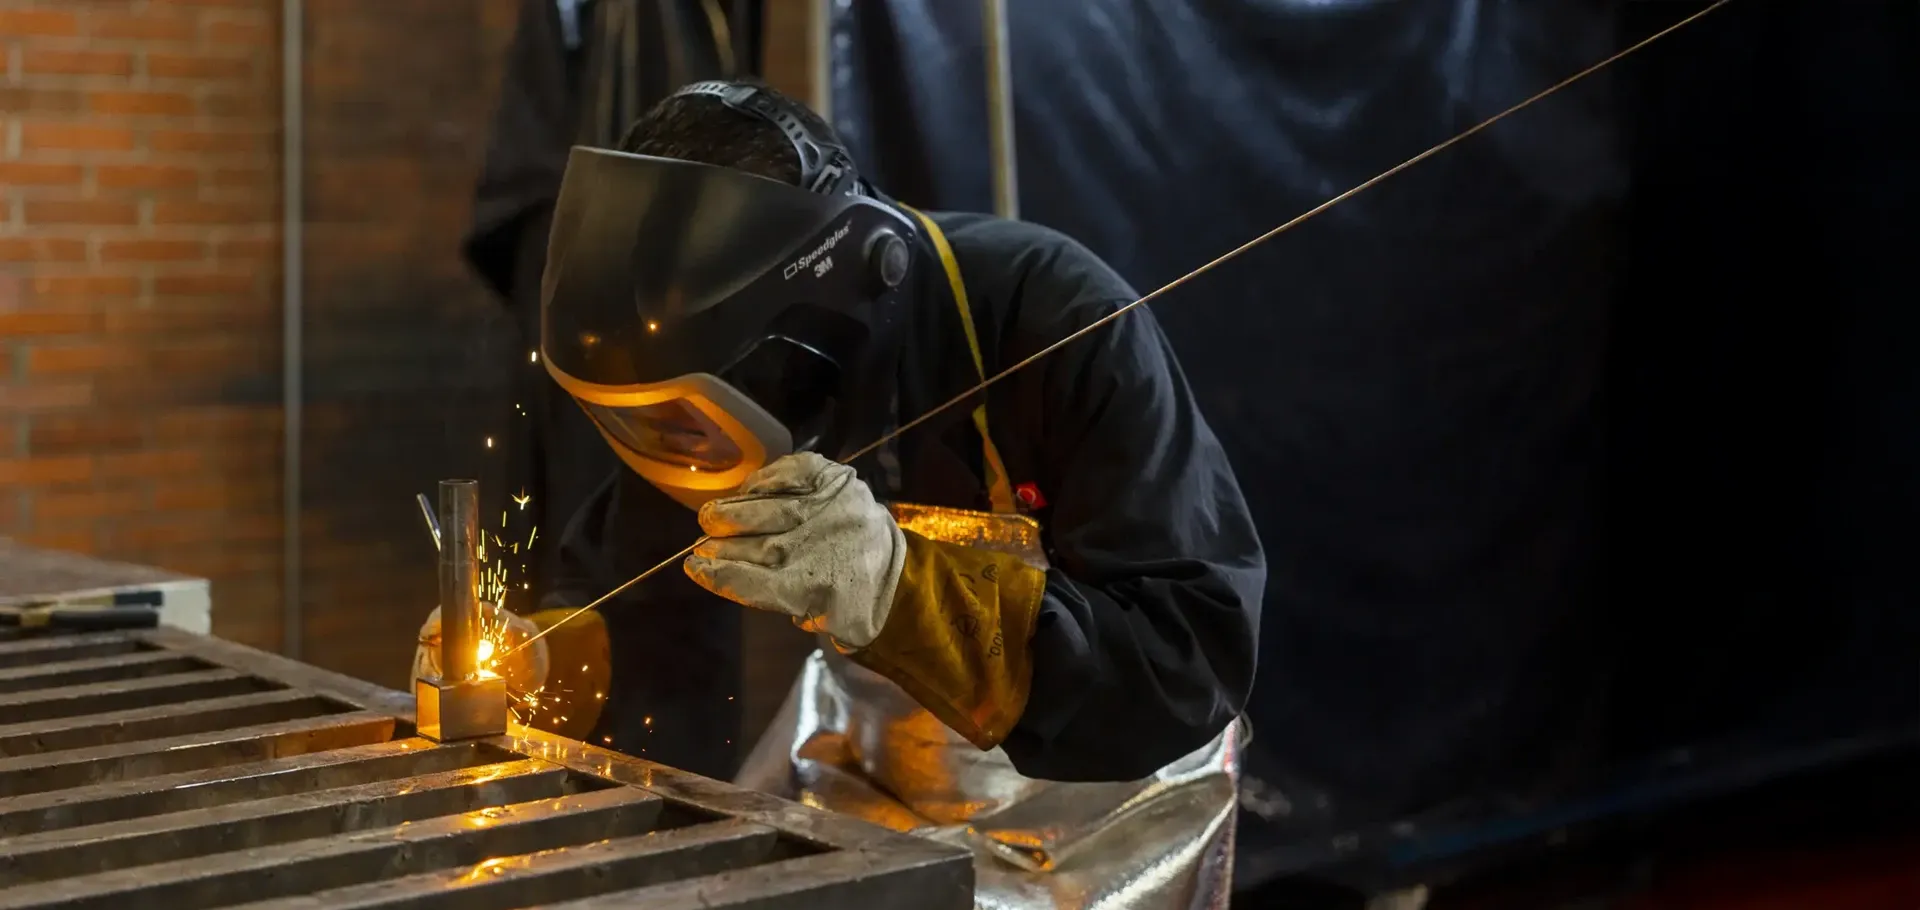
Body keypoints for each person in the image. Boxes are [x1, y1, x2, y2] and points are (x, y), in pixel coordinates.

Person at [419, 77, 1264, 905]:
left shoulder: (1053, 322)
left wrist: (898, 591)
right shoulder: (719, 384)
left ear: (808, 322)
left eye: (688, 413)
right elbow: (647, 599)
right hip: (871, 781)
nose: (677, 452)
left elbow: (1187, 662)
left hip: (1105, 821)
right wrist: (539, 656)